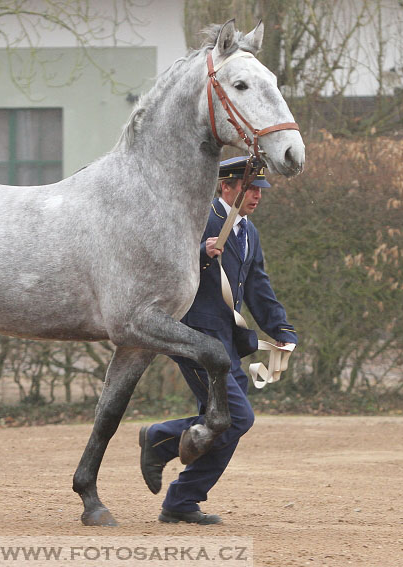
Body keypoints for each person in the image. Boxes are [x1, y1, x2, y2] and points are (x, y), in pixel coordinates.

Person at [139, 156, 297, 525]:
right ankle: (162, 439)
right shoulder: (199, 217)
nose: (257, 195)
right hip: (194, 337)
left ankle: (181, 501)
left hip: (226, 343)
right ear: (226, 186)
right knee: (237, 417)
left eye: (259, 189)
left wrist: (281, 329)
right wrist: (198, 253)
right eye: (250, 188)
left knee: (225, 421)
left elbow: (258, 285)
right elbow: (158, 262)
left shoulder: (248, 231)